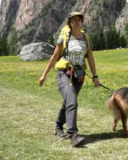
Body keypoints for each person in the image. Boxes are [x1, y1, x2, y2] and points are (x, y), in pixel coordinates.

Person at [39, 12, 100, 147]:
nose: (77, 22)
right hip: (64, 74)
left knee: (68, 102)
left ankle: (58, 126)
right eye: (74, 20)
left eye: (79, 20)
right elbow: (54, 57)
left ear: (82, 22)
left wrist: (95, 76)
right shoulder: (64, 38)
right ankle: (73, 134)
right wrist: (44, 74)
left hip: (79, 76)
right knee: (72, 101)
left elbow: (90, 58)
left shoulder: (86, 39)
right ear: (69, 23)